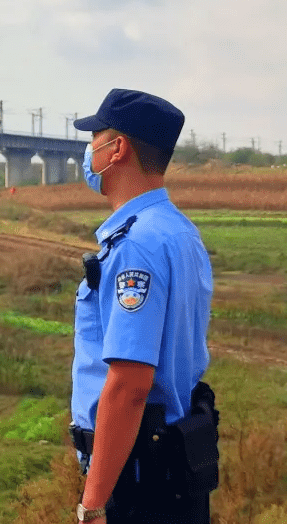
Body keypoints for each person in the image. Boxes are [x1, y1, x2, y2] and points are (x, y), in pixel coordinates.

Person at [69, 89, 217, 523]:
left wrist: (93, 505)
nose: (88, 151)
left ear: (117, 149)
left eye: (94, 139)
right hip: (173, 464)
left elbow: (130, 384)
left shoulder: (137, 245)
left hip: (137, 477)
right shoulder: (178, 231)